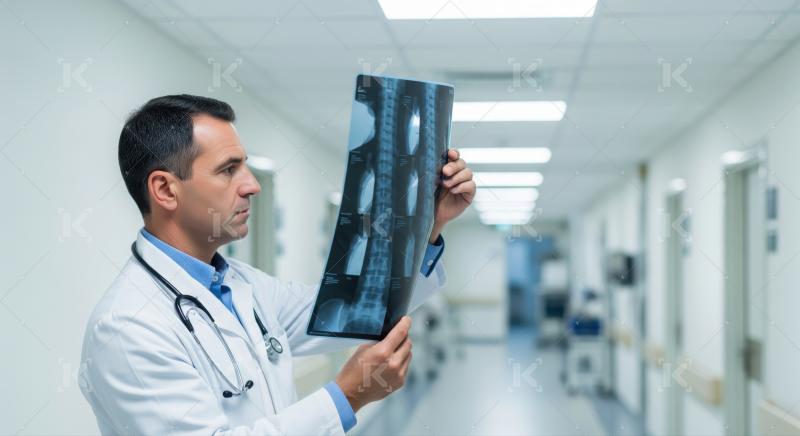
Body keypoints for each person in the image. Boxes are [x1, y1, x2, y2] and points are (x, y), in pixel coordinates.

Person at [79, 95, 475, 435]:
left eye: (245, 166)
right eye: (228, 169)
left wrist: (429, 223)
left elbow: (357, 309)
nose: (252, 185)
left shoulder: (241, 285)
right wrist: (347, 396)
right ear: (165, 189)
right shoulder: (128, 325)